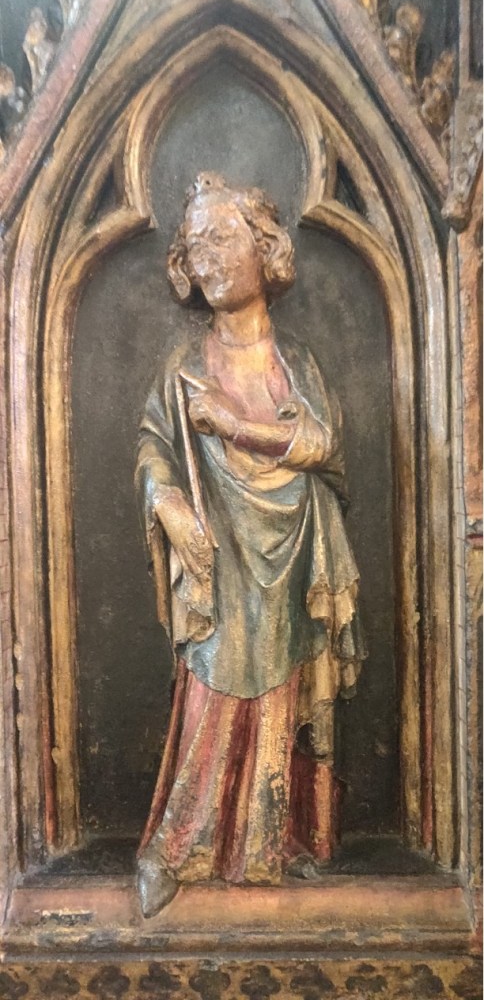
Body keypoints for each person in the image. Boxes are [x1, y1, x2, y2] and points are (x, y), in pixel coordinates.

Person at [135, 172, 365, 917]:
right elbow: (154, 447)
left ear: (265, 249)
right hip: (219, 551)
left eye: (222, 238)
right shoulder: (182, 367)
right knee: (213, 681)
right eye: (194, 244)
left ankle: (276, 839)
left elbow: (325, 446)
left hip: (295, 545)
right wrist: (167, 503)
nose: (206, 258)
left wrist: (237, 427)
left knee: (284, 692)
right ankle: (179, 846)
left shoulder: (296, 360)